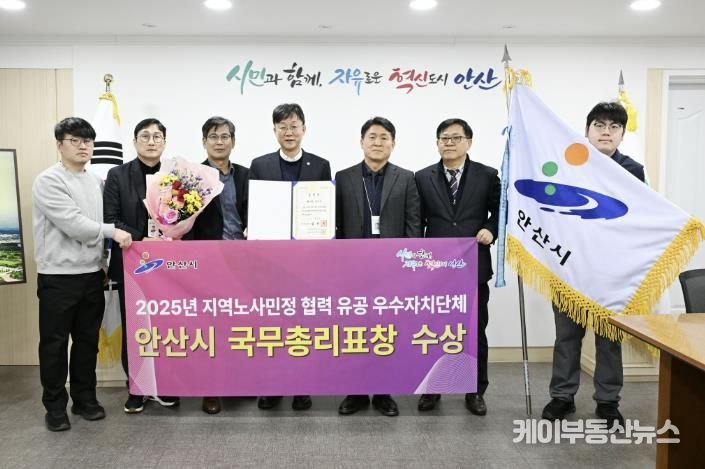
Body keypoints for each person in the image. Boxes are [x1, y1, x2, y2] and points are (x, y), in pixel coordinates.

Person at [541, 102, 645, 427]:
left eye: (614, 127)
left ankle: (608, 401)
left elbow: (639, 218)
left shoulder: (633, 170)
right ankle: (562, 396)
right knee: (567, 337)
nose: (606, 132)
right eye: (599, 125)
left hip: (611, 271)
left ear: (622, 134)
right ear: (586, 131)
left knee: (609, 338)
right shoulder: (569, 164)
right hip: (570, 267)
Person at [32, 117, 132, 431]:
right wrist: (113, 231)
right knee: (54, 345)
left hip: (92, 275)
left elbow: (98, 229)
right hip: (58, 277)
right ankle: (54, 407)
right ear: (59, 144)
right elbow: (74, 224)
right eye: (74, 140)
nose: (82, 146)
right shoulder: (48, 181)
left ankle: (85, 399)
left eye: (87, 141)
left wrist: (103, 262)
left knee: (88, 343)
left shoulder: (97, 182)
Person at [335, 116, 421, 417]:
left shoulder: (407, 178)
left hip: (391, 271)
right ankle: (356, 392)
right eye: (372, 136)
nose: (377, 142)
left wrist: (407, 267)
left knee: (387, 331)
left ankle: (384, 392)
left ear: (393, 144)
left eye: (384, 137)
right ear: (362, 142)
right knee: (355, 331)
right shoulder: (343, 177)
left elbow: (413, 225)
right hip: (353, 271)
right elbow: (336, 226)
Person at [414, 118, 500, 415]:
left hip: (473, 265)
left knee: (474, 331)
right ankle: (432, 388)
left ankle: (475, 390)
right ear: (437, 143)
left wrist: (490, 229)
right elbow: (416, 220)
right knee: (432, 330)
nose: (449, 143)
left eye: (455, 137)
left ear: (469, 142)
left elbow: (500, 212)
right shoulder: (422, 177)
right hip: (434, 269)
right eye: (444, 138)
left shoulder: (487, 175)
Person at [249, 103, 331, 412]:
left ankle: (301, 386)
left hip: (307, 262)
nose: (289, 132)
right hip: (270, 260)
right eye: (282, 127)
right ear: (274, 131)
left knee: (302, 324)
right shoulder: (260, 165)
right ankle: (272, 387)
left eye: (294, 126)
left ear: (304, 129)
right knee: (271, 324)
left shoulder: (320, 165)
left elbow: (326, 209)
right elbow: (252, 207)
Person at [103, 118, 180, 413]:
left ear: (164, 142)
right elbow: (111, 218)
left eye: (157, 136)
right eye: (145, 136)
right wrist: (142, 239)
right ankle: (137, 387)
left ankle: (167, 384)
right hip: (131, 263)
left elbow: (185, 216)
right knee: (134, 327)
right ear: (134, 141)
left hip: (168, 267)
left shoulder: (175, 176)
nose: (151, 141)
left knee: (167, 327)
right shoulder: (118, 175)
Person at [189, 116, 249, 414]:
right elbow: (183, 223)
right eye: (213, 136)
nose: (219, 141)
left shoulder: (248, 175)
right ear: (204, 142)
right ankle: (210, 389)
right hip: (209, 261)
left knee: (240, 325)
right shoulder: (192, 177)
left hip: (244, 261)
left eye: (225, 136)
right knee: (210, 328)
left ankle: (236, 382)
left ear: (233, 141)